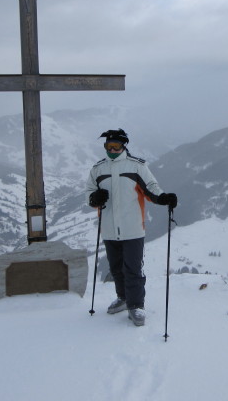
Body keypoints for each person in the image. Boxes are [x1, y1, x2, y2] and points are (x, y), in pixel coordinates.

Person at [85, 128, 177, 327]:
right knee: (116, 268)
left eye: (115, 146)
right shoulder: (98, 169)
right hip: (109, 228)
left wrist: (163, 198)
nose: (111, 149)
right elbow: (89, 192)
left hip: (133, 227)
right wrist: (94, 198)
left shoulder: (136, 167)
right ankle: (123, 298)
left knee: (133, 269)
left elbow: (151, 188)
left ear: (123, 146)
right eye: (108, 146)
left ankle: (136, 305)